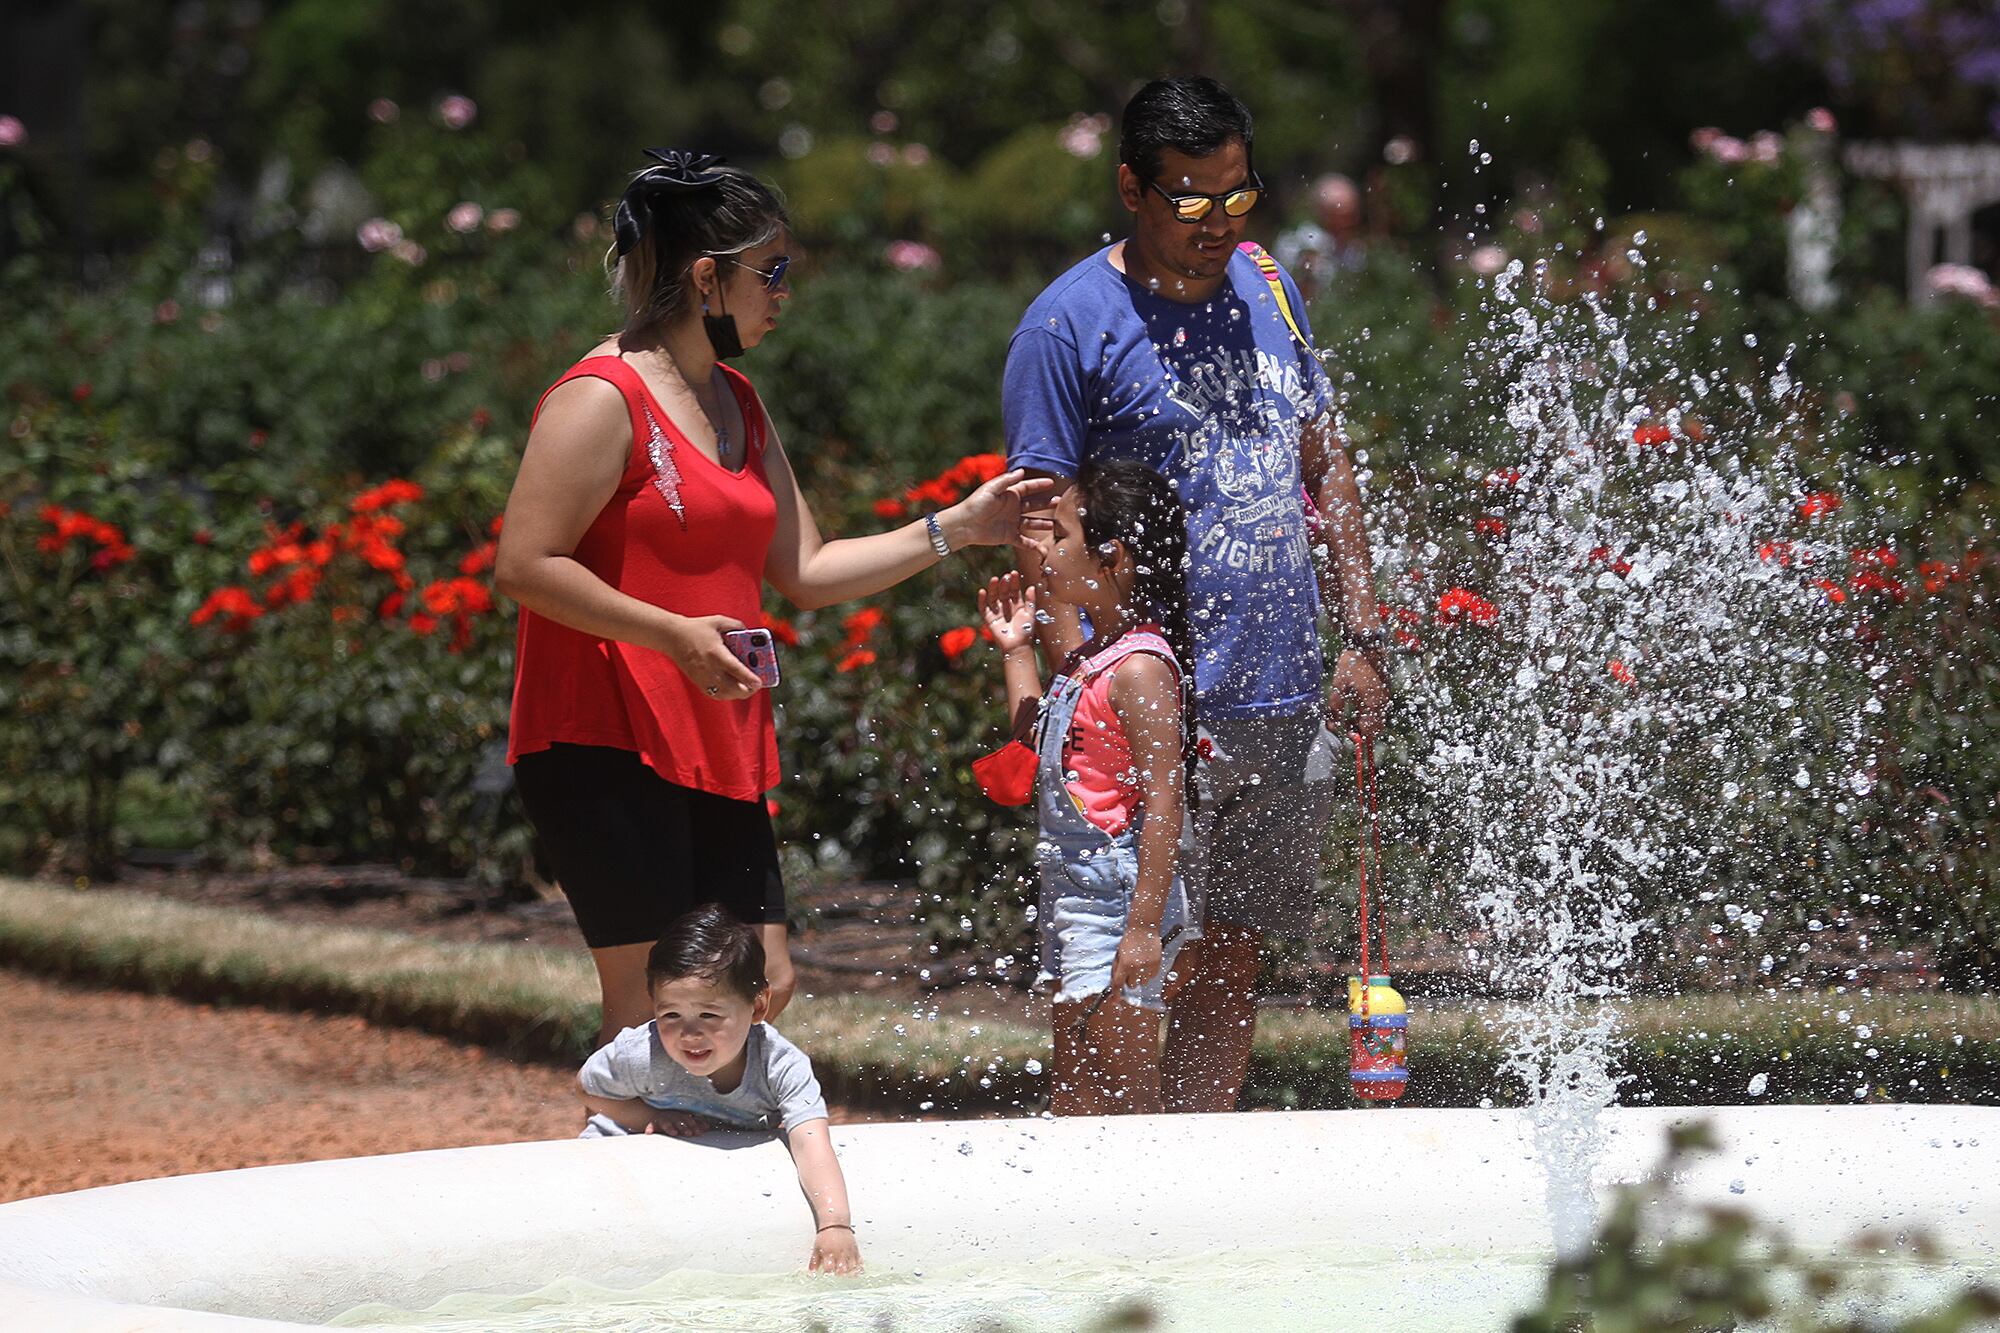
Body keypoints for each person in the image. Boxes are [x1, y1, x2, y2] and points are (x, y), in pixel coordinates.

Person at [496, 149, 1047, 1046]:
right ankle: (633, 1168)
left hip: (714, 732)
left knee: (764, 978)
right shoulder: (602, 397)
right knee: (654, 1009)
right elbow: (523, 563)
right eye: (774, 271)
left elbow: (809, 568)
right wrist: (671, 631)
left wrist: (960, 525)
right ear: (708, 279)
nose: (784, 293)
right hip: (604, 731)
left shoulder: (737, 401)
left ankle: (681, 1157)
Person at [1002, 78, 1390, 1115]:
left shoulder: (1266, 282)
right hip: (1146, 711)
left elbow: (1326, 461)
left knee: (1223, 967)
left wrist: (1360, 632)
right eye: (1188, 201)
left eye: (1236, 195)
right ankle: (1095, 1218)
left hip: (1271, 697)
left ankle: (1194, 1219)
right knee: (1117, 977)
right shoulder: (1066, 328)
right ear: (1129, 187)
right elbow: (1038, 526)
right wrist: (1068, 688)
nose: (1217, 225)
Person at [974, 462, 1200, 1115]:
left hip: (1118, 900)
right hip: (1075, 894)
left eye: (1063, 535)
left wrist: (1143, 926)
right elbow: (1035, 741)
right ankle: (1094, 1215)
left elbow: (1164, 800)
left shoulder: (1140, 668)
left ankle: (1155, 1213)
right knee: (1076, 1088)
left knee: (1124, 1091)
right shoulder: (1089, 656)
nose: (1049, 549)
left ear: (1113, 557)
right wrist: (1017, 648)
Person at [575, 903, 860, 1275]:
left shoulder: (779, 1065)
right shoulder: (642, 1053)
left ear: (758, 1006)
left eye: (709, 1015)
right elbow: (587, 1089)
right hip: (622, 1160)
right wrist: (651, 1115)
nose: (689, 1034)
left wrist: (834, 1224)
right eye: (671, 1015)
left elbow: (811, 1142)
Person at [1274, 172, 1367, 300]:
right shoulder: (1297, 243)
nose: (1348, 222)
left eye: (1352, 215)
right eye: (1341, 216)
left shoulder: (1356, 249)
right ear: (1323, 213)